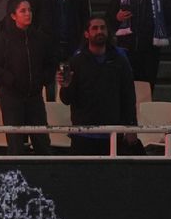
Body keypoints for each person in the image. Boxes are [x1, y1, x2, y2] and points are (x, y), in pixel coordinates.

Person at [59, 16, 139, 156]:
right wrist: (65, 85)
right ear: (86, 34)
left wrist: (132, 127)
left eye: (102, 27)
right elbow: (66, 100)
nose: (99, 31)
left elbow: (128, 96)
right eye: (94, 28)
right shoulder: (76, 62)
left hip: (113, 133)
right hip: (83, 134)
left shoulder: (120, 61)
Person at [0, 0, 53, 155]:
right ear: (13, 15)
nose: (28, 14)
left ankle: (47, 175)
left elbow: (50, 63)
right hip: (11, 97)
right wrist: (11, 80)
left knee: (42, 142)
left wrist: (42, 79)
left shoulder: (40, 38)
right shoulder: (3, 39)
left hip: (34, 96)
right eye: (23, 11)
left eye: (29, 10)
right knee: (15, 143)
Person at [114, 0, 171, 86]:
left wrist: (160, 34)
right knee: (127, 86)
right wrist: (117, 18)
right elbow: (109, 18)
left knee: (147, 87)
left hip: (150, 50)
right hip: (127, 48)